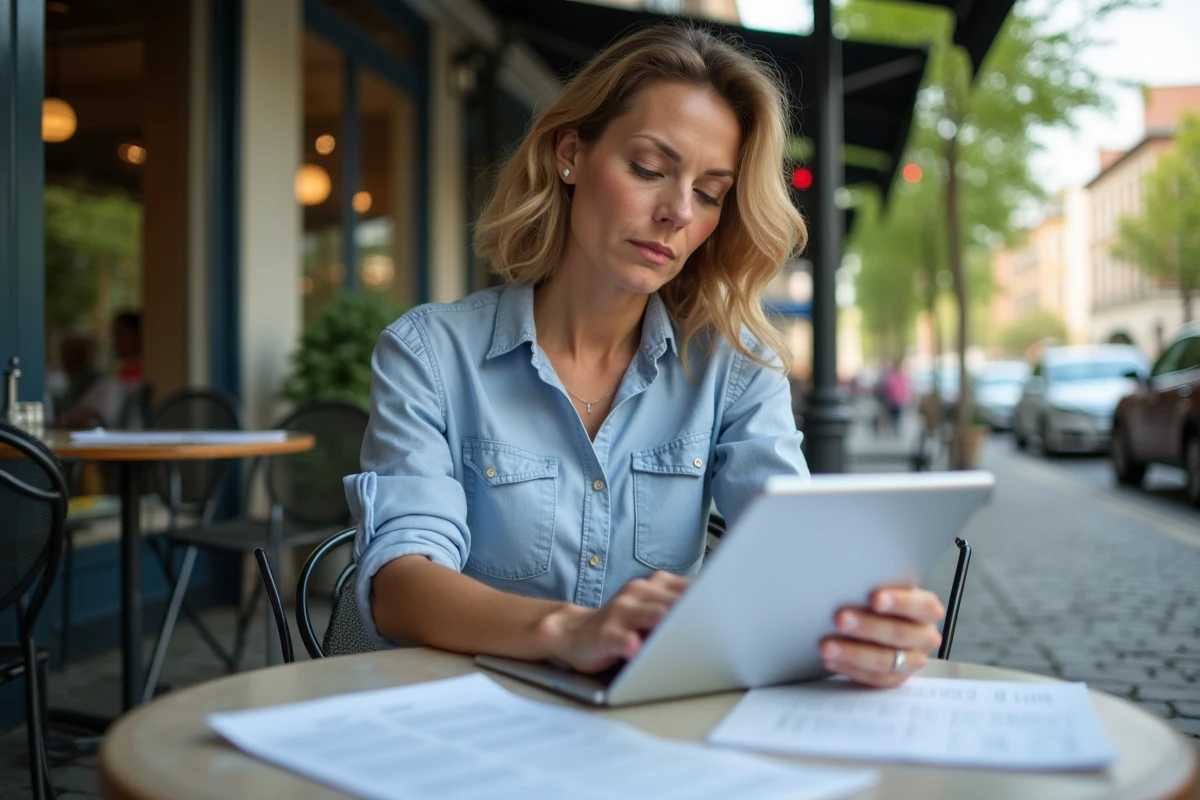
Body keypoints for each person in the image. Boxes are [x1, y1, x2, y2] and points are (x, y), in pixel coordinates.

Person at [345, 25, 945, 689]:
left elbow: (791, 551)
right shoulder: (430, 353)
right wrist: (569, 631)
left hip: (657, 726)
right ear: (571, 154)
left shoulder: (733, 371)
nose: (678, 212)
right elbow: (399, 586)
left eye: (711, 193)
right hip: (472, 723)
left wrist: (868, 621)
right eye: (650, 169)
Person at [58, 311, 143, 429]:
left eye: (120, 334)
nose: (114, 341)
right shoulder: (117, 376)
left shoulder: (119, 383)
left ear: (137, 335)